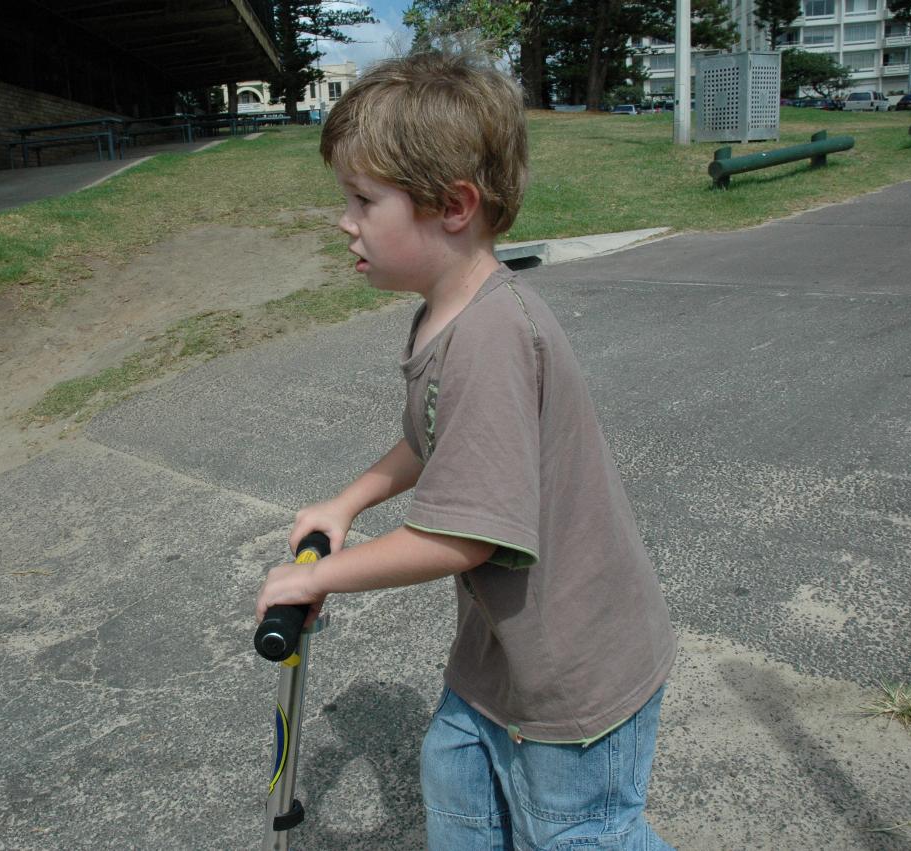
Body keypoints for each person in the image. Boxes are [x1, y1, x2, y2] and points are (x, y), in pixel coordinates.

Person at [254, 51, 677, 850]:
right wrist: (348, 502)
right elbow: (432, 437)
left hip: (573, 674)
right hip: (498, 661)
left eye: (362, 199)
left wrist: (320, 575)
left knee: (579, 832)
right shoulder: (442, 312)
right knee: (457, 784)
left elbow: (464, 533)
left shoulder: (490, 337)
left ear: (452, 205)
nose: (344, 220)